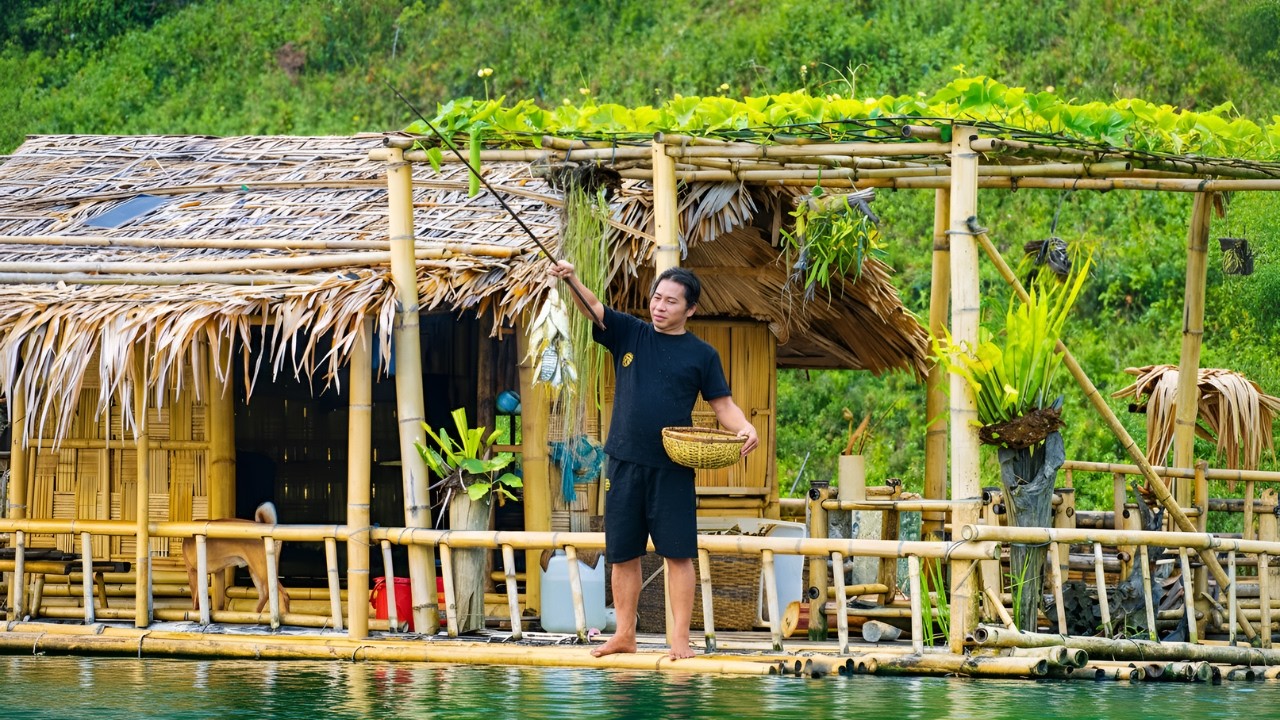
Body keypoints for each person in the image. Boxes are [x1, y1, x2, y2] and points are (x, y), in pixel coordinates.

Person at [548, 260, 759, 660]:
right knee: (622, 552)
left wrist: (745, 427)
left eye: (670, 302)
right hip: (624, 462)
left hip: (673, 468)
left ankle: (679, 637)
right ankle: (624, 633)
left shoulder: (702, 355)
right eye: (656, 298)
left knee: (678, 553)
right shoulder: (631, 332)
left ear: (690, 310)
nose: (660, 306)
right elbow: (593, 307)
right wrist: (572, 277)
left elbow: (723, 405)